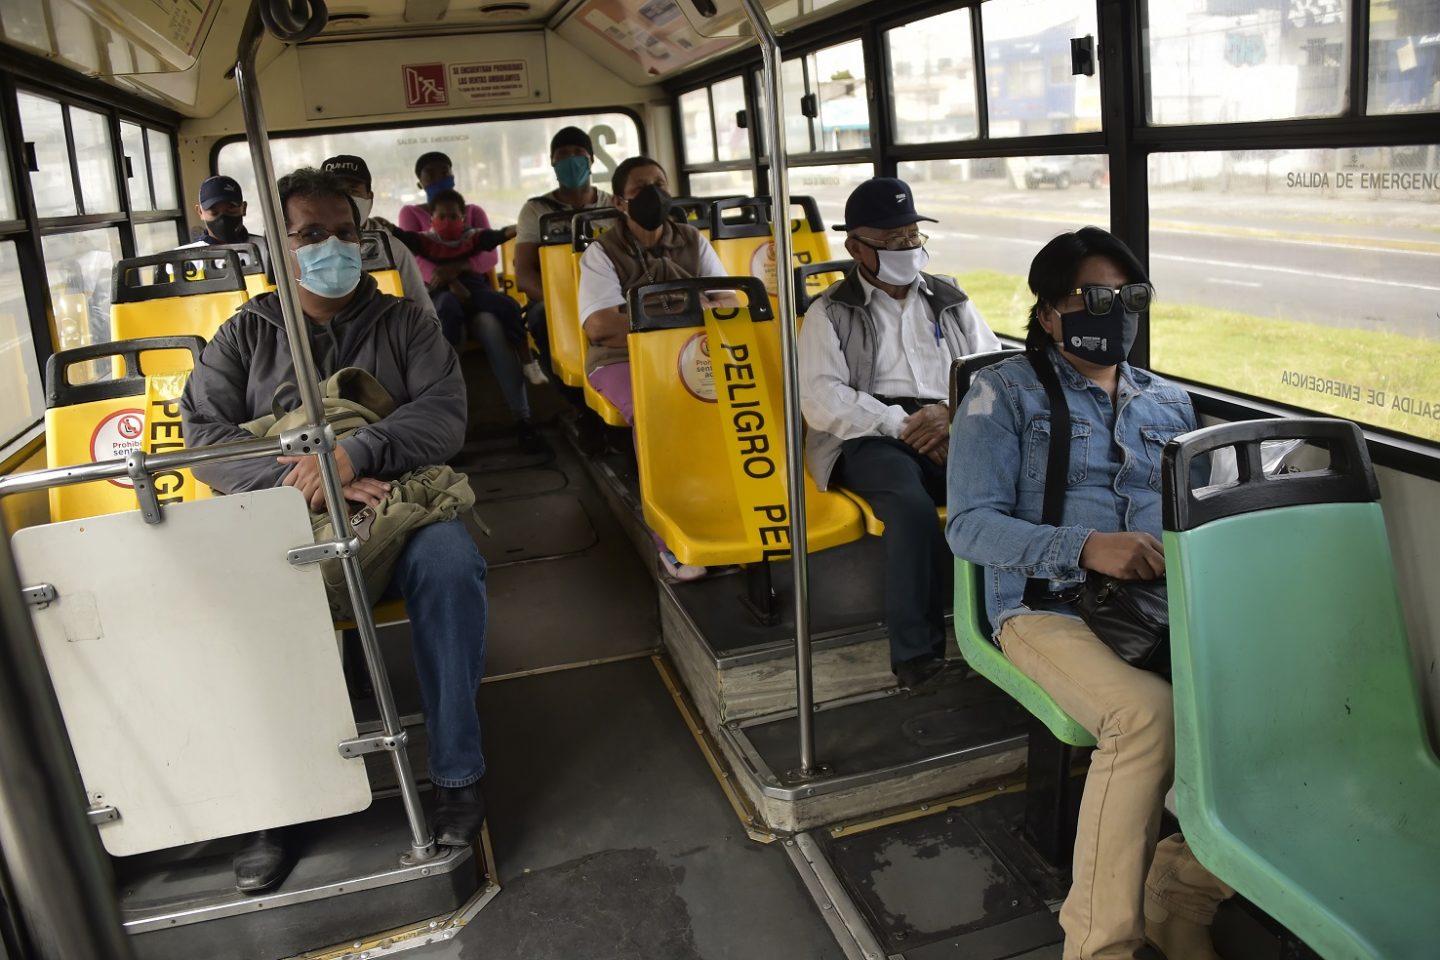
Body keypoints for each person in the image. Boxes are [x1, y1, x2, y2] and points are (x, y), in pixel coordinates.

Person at [181, 167, 489, 894]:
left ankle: (456, 771)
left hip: (395, 505)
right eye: (311, 234)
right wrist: (307, 474)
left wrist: (355, 451)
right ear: (280, 250)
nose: (333, 247)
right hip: (288, 515)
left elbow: (445, 415)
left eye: (345, 233)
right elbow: (203, 440)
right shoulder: (244, 335)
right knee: (244, 601)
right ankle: (277, 799)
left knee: (451, 565)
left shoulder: (404, 323)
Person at [946, 227, 1233, 960]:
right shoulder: (1001, 393)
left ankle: (1181, 890)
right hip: (1044, 603)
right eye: (1094, 297)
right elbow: (971, 527)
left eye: (1129, 298)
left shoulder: (1168, 402)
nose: (1115, 313)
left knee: (1282, 692)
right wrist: (1085, 546)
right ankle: (1100, 947)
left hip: (1154, 601)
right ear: (1047, 314)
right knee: (1146, 716)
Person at [798, 177, 1000, 692]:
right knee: (908, 504)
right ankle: (917, 657)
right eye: (890, 242)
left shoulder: (951, 300)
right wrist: (899, 422)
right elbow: (821, 397)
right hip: (866, 432)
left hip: (949, 418)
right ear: (855, 248)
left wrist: (953, 415)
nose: (906, 249)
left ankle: (1016, 626)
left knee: (1009, 485)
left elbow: (995, 371)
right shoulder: (829, 312)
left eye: (912, 237)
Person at [577, 155, 727, 581]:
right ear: (622, 203)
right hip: (620, 359)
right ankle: (670, 537)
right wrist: (690, 310)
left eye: (659, 184)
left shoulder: (692, 240)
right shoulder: (601, 253)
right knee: (657, 412)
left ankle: (727, 509)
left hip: (692, 351)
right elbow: (602, 327)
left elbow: (731, 299)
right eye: (641, 188)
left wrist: (650, 315)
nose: (654, 194)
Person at [400, 151, 544, 451]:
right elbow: (415, 261)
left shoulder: (471, 211)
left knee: (492, 325)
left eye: (445, 172)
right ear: (420, 182)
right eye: (431, 174)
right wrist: (450, 281)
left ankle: (524, 418)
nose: (440, 178)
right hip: (440, 294)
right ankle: (449, 430)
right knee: (446, 338)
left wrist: (458, 269)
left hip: (476, 292)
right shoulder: (413, 215)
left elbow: (488, 254)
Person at [514, 126, 614, 363]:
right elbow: (524, 274)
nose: (571, 159)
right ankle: (562, 376)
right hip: (556, 292)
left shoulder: (612, 206)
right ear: (552, 162)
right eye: (563, 154)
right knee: (540, 316)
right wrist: (561, 302)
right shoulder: (535, 210)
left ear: (591, 160)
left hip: (608, 292)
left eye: (578, 152)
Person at [319, 153, 437, 323]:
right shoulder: (304, 250)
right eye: (335, 192)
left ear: (370, 198)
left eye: (353, 191)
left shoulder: (392, 250)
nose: (345, 200)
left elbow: (427, 319)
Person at [179, 174, 265, 257]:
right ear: (200, 212)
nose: (223, 219)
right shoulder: (184, 257)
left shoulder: (267, 249)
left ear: (244, 209)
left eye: (231, 210)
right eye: (214, 212)